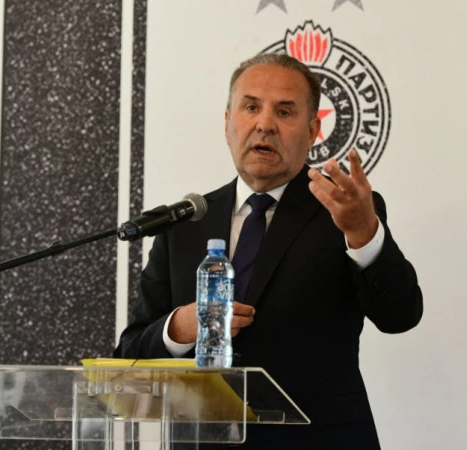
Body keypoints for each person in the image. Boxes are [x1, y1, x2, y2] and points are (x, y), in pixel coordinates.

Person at [114, 53, 423, 449]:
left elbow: (400, 315)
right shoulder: (186, 223)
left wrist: (365, 234)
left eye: (284, 111)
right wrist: (179, 329)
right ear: (228, 123)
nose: (264, 124)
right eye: (250, 107)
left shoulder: (344, 211)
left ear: (312, 131)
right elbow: (128, 356)